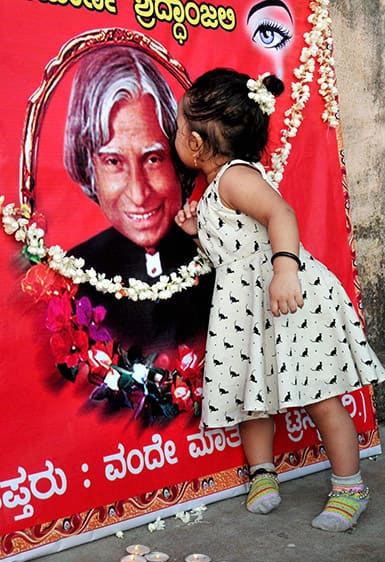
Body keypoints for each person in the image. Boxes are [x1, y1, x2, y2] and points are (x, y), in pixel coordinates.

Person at [174, 67, 385, 531]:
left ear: (194, 144)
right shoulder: (215, 190)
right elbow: (233, 248)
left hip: (287, 299)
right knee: (251, 394)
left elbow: (280, 213)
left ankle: (351, 486)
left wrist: (286, 268)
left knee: (321, 397)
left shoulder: (234, 178)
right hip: (247, 307)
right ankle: (263, 473)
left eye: (178, 127)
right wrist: (197, 233)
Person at [64, 46, 213, 351]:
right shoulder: (72, 275)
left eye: (153, 159)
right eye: (114, 162)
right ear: (89, 167)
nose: (138, 193)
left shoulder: (216, 252)